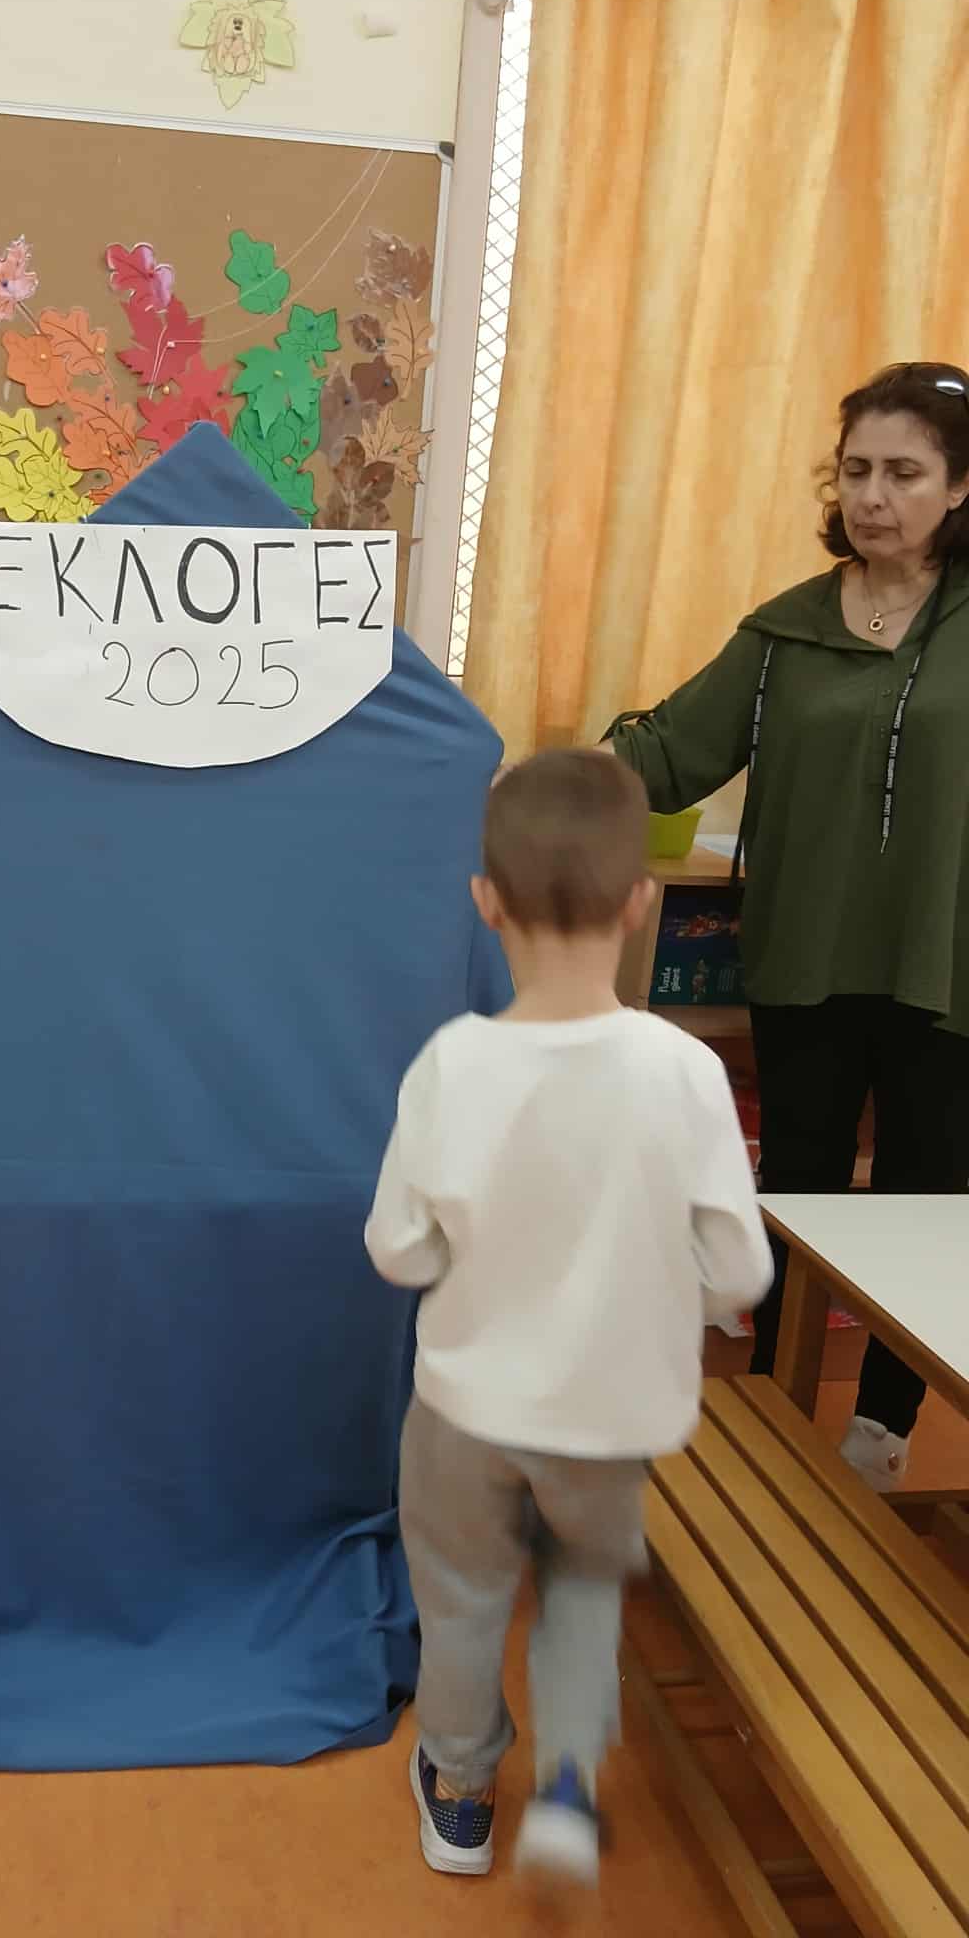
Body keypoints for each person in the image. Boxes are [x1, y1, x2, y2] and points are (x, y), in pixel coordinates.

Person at [365, 752, 770, 1886]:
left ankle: (460, 1796)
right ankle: (570, 1787)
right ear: (641, 900)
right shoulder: (686, 1072)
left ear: (484, 900)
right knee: (586, 1596)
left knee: (460, 1603)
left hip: (466, 1412)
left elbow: (397, 1249)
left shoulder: (451, 1066)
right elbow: (739, 1271)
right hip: (611, 1415)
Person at [610, 361, 969, 1491]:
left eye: (904, 472)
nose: (874, 495)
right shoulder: (788, 631)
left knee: (926, 1196)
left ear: (960, 486)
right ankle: (770, 1413)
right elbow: (670, 753)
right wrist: (536, 782)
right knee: (797, 1188)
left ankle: (882, 1430)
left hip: (947, 965)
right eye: (857, 469)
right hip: (806, 954)